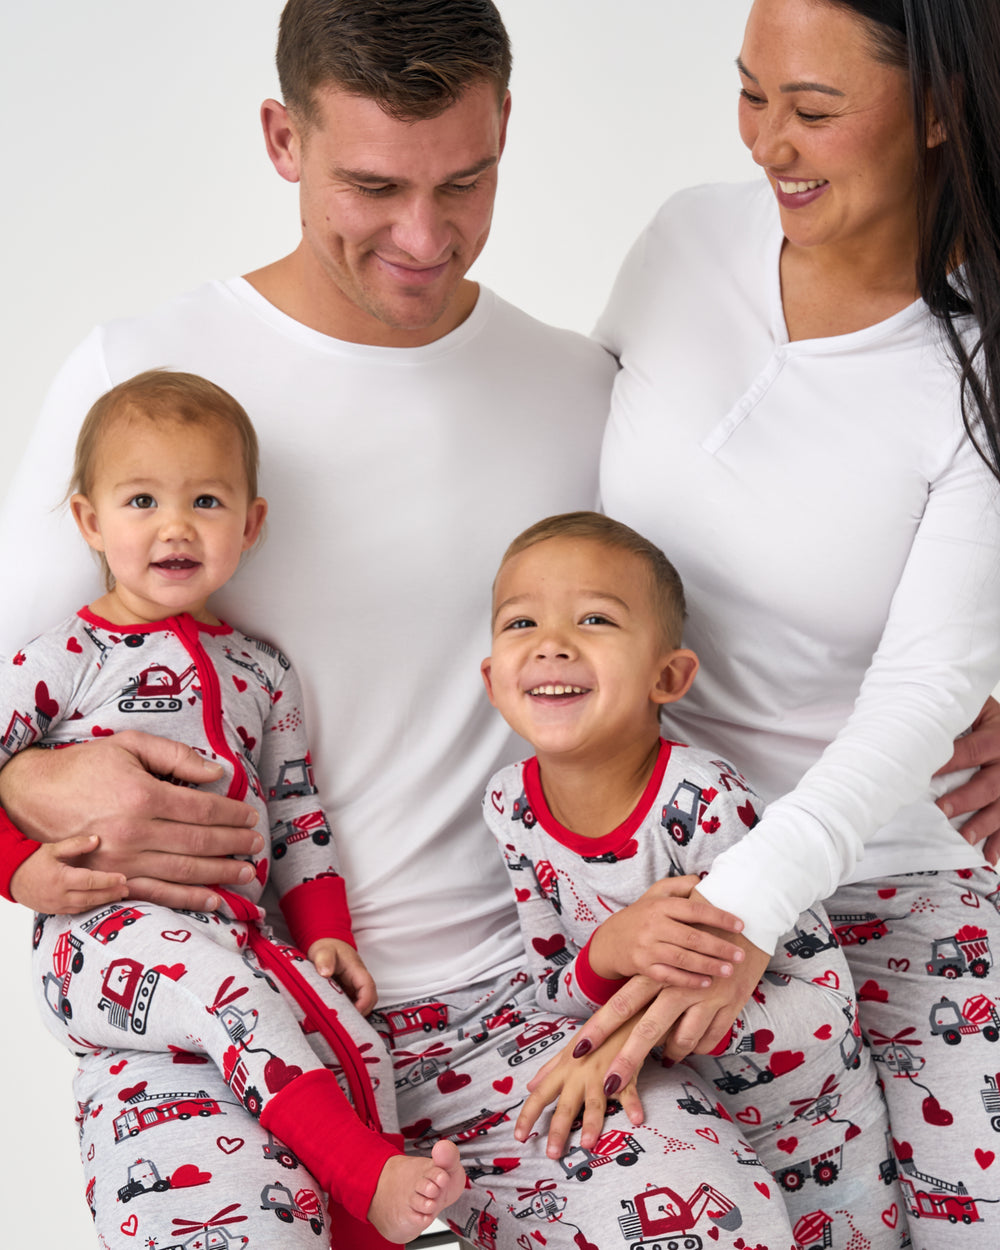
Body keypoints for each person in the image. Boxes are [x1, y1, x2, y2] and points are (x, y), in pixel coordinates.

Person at [0, 3, 797, 1247]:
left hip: (519, 1001)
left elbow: (707, 647)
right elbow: (26, 691)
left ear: (505, 131)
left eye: (466, 182)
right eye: (373, 186)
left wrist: (948, 717)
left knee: (725, 1223)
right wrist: (35, 793)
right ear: (282, 137)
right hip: (228, 1023)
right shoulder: (140, 380)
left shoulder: (578, 389)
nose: (425, 238)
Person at [580, 0, 1000, 1244]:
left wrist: (744, 911)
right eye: (750, 93)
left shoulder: (970, 363)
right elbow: (560, 501)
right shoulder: (686, 240)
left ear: (935, 111)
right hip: (666, 866)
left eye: (812, 109)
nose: (768, 142)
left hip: (895, 882)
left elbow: (927, 684)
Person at [9, 368, 464, 1247]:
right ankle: (368, 1177)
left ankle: (366, 1215)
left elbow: (296, 811)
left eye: (206, 501)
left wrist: (326, 927)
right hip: (103, 936)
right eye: (141, 499)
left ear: (249, 526)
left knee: (351, 1035)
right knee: (226, 993)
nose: (175, 526)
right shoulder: (62, 656)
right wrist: (18, 869)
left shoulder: (262, 669)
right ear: (88, 521)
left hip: (235, 931)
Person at [479, 510, 905, 1248]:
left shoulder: (703, 801)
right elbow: (552, 986)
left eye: (594, 619)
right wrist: (610, 950)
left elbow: (816, 1000)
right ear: (491, 678)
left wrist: (625, 1048)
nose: (551, 644)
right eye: (521, 624)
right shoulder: (508, 807)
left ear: (667, 677)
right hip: (690, 1139)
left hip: (819, 1132)